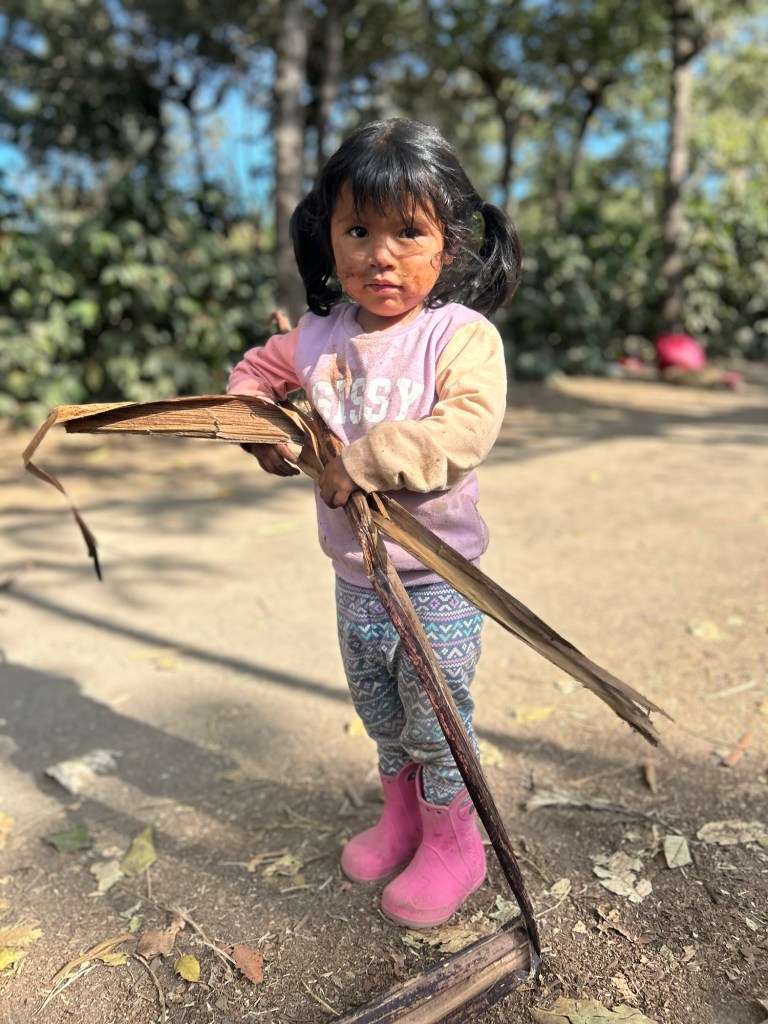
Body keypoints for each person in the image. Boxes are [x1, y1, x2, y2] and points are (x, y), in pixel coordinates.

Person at [228, 118, 521, 928]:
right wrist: (256, 425)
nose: (380, 255)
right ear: (327, 237)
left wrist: (368, 458)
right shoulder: (318, 339)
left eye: (408, 232)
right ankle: (402, 820)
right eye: (358, 230)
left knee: (436, 717)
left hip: (438, 579)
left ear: (448, 243)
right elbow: (254, 373)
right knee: (382, 712)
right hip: (355, 577)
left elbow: (465, 431)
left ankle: (455, 843)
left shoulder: (459, 337)